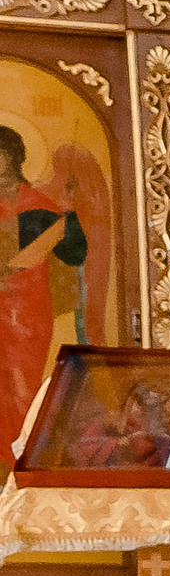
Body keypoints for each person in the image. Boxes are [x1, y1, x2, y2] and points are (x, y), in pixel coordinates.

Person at [0, 123, 85, 453]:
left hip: (25, 312)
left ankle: (20, 452)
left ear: (15, 159)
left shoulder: (38, 205)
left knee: (21, 382)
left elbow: (60, 256)